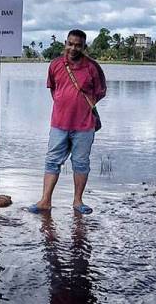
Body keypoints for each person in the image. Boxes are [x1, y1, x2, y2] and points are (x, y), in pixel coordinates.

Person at [30, 29, 106, 214]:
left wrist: (82, 106)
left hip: (84, 126)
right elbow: (53, 89)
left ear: (84, 46)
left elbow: (100, 91)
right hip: (58, 124)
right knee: (52, 161)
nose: (73, 48)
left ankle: (78, 202)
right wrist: (65, 103)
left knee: (80, 163)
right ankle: (45, 201)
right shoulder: (55, 65)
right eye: (70, 44)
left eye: (78, 45)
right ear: (65, 43)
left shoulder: (92, 67)